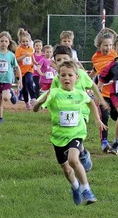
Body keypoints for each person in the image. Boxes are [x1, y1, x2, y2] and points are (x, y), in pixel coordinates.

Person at [33, 60, 106, 205]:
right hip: (59, 137)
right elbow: (35, 109)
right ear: (58, 78)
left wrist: (97, 119)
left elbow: (90, 102)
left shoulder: (80, 93)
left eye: (70, 75)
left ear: (76, 78)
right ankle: (75, 187)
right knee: (66, 170)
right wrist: (41, 102)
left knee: (73, 160)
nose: (66, 78)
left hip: (76, 133)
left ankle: (87, 190)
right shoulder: (53, 93)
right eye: (63, 75)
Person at [89, 29, 117, 152]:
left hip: (115, 91)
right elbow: (95, 69)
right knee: (104, 115)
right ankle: (104, 142)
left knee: (117, 115)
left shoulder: (115, 55)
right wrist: (87, 79)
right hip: (102, 92)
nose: (108, 47)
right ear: (99, 45)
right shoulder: (95, 57)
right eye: (105, 45)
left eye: (110, 45)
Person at [0, 31, 22, 123]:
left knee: (6, 98)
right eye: (2, 41)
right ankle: (0, 118)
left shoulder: (11, 55)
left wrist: (20, 80)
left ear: (9, 43)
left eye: (6, 41)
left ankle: (11, 94)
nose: (4, 43)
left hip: (7, 81)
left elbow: (17, 67)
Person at [15, 32, 37, 110]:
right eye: (23, 41)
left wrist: (35, 62)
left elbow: (32, 57)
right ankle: (27, 102)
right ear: (20, 42)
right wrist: (24, 56)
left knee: (29, 80)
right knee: (24, 88)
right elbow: (16, 60)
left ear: (29, 41)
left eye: (27, 41)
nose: (25, 43)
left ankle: (33, 97)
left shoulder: (31, 49)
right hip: (21, 71)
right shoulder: (18, 49)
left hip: (29, 69)